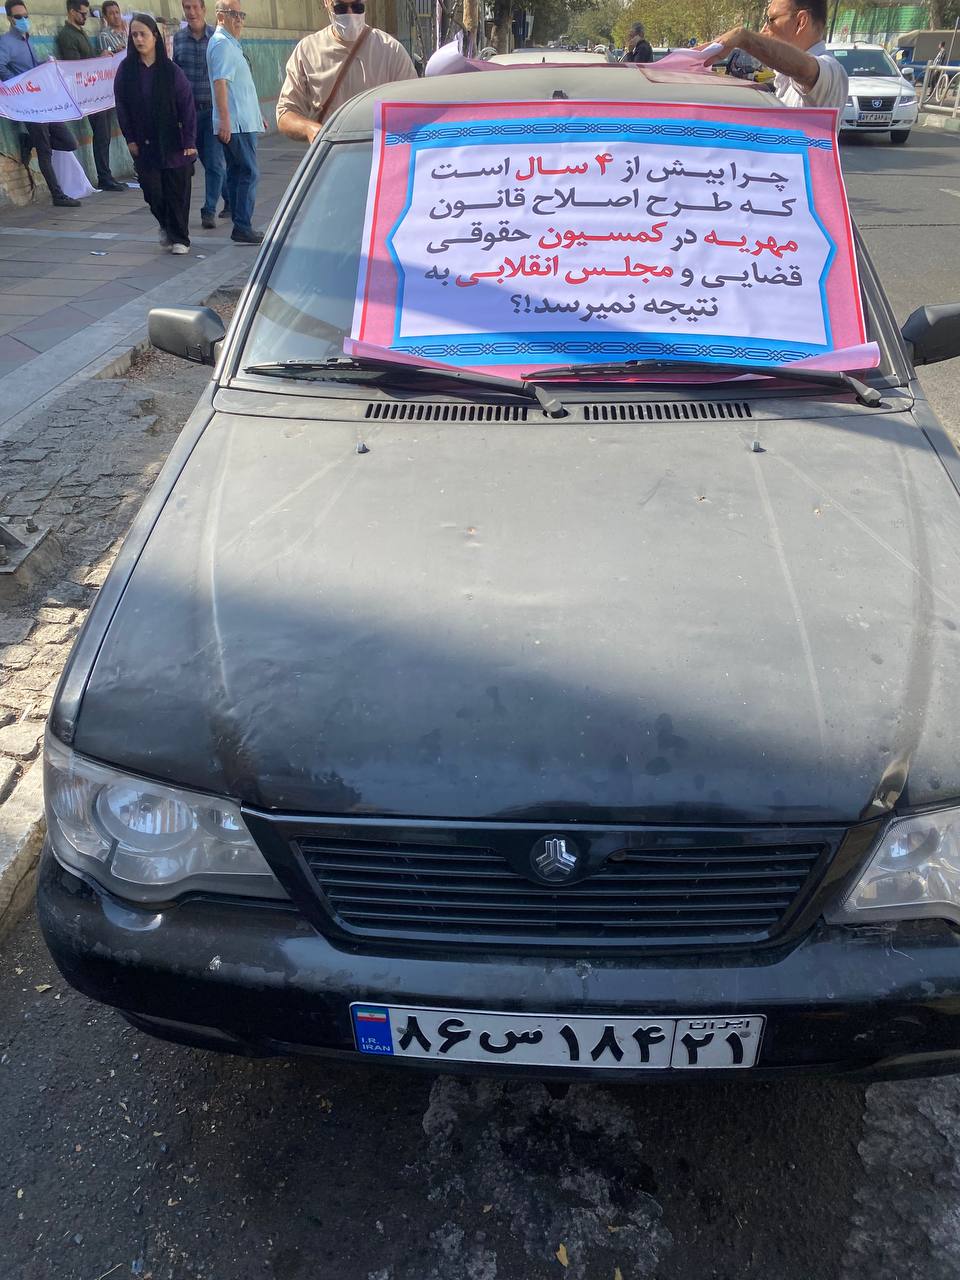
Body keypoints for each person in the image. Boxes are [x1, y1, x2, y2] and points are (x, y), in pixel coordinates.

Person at [276, 0, 416, 146]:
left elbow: (415, 108)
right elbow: (285, 112)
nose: (350, 14)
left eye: (357, 7)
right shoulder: (307, 51)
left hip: (379, 153)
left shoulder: (391, 50)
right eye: (341, 8)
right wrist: (309, 129)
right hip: (333, 155)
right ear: (327, 3)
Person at [113, 12, 197, 253]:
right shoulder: (126, 70)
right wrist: (130, 138)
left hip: (174, 141)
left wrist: (189, 140)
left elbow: (186, 106)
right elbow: (122, 106)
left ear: (155, 37)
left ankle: (180, 238)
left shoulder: (171, 71)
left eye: (143, 34)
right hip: (144, 142)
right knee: (153, 191)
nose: (139, 39)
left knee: (177, 191)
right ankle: (166, 225)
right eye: (134, 35)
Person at [0, 0, 82, 205]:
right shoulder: (6, 43)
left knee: (69, 142)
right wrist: (19, 85)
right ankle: (58, 195)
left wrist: (45, 64)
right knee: (45, 152)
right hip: (29, 105)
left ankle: (30, 142)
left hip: (44, 102)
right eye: (18, 17)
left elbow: (33, 67)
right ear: (10, 19)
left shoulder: (27, 39)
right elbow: (1, 67)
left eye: (26, 16)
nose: (23, 20)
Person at [702, 0, 847, 110]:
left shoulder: (831, 70)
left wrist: (745, 39)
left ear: (800, 22)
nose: (763, 30)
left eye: (771, 20)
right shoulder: (787, 77)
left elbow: (806, 70)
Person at [207, 0, 263, 244]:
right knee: (248, 172)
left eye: (241, 14)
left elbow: (241, 87)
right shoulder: (222, 44)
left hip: (243, 120)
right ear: (221, 16)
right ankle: (242, 225)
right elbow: (220, 83)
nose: (239, 19)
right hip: (236, 124)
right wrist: (225, 120)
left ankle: (240, 222)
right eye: (233, 14)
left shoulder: (230, 43)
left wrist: (257, 115)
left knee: (238, 172)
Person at [54, 0, 125, 190]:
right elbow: (76, 66)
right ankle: (104, 176)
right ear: (71, 12)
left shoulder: (79, 32)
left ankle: (106, 174)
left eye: (87, 13)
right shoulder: (67, 36)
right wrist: (98, 58)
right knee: (101, 134)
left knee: (105, 134)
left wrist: (106, 55)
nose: (85, 17)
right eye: (82, 13)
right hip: (87, 94)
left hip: (96, 91)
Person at [173, 0, 228, 229]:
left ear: (204, 9)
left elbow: (227, 74)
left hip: (212, 110)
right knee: (203, 162)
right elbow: (174, 75)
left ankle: (209, 210)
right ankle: (230, 198)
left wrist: (227, 113)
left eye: (196, 7)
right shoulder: (178, 39)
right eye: (187, 7)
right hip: (189, 114)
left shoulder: (217, 38)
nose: (192, 12)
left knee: (214, 162)